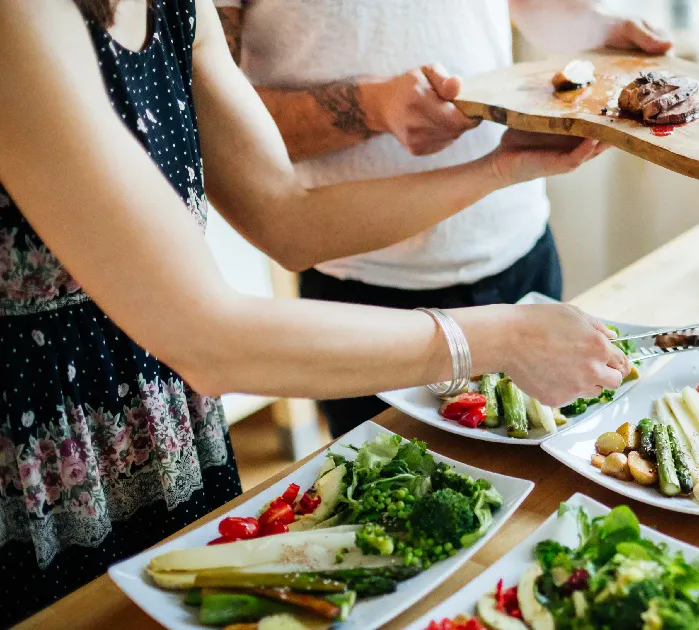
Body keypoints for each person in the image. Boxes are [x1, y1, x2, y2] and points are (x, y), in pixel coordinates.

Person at [0, 0, 631, 622]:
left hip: (157, 418)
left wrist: (500, 166)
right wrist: (500, 338)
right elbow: (206, 337)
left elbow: (287, 214)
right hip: (34, 446)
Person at [214, 0, 671, 438]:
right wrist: (370, 107)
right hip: (364, 295)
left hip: (522, 247)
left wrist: (595, 27)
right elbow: (215, 121)